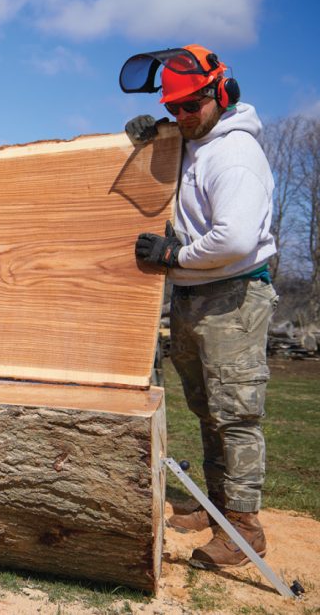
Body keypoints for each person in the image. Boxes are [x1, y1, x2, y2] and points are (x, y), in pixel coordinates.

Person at [121, 45, 277, 571]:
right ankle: (219, 510)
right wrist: (148, 139)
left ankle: (245, 530)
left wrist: (175, 255)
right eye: (174, 108)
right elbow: (157, 179)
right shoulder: (192, 140)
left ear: (221, 94)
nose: (182, 116)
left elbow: (233, 240)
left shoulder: (234, 156)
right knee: (207, 409)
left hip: (233, 295)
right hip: (192, 294)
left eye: (191, 106)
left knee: (235, 414)